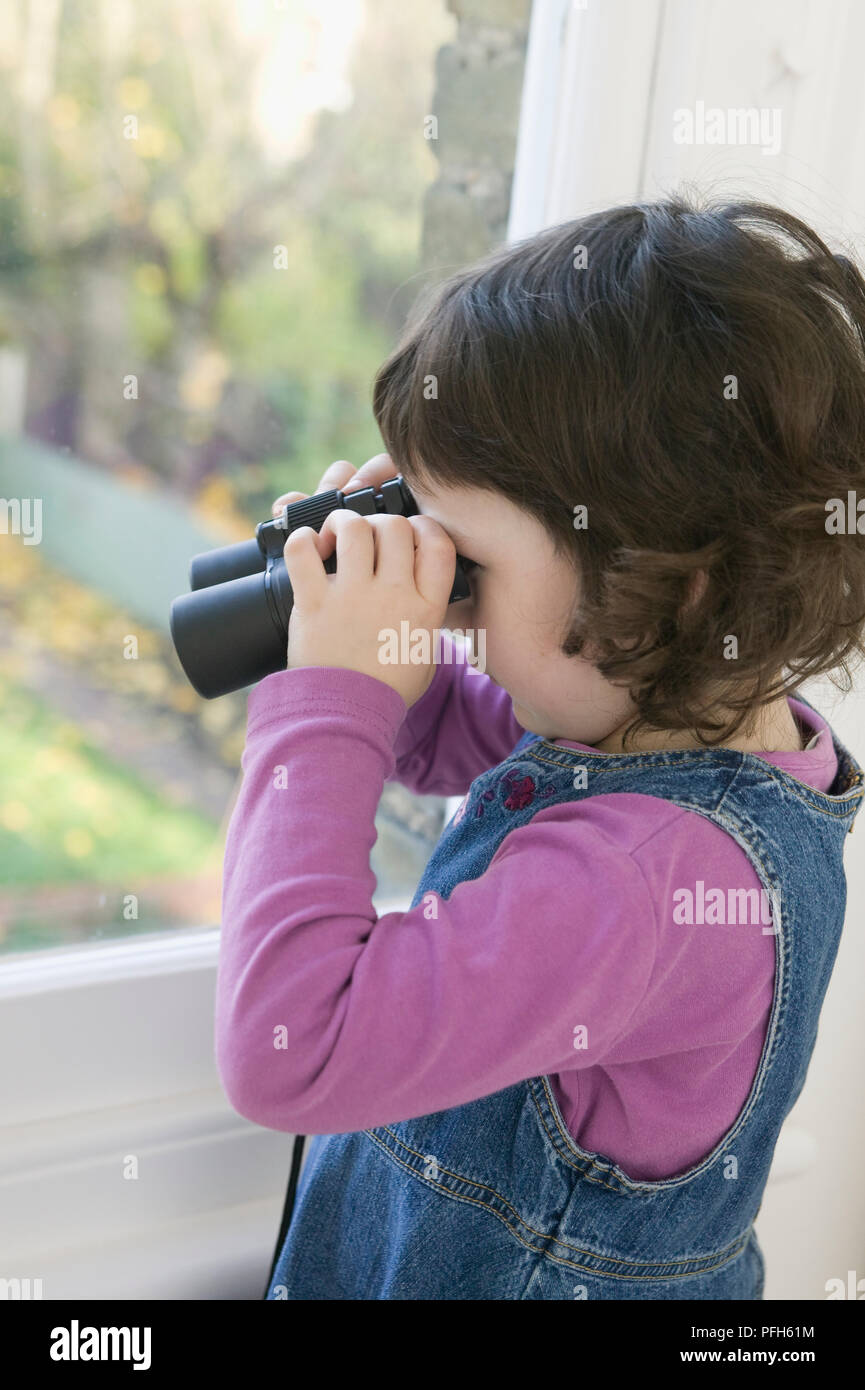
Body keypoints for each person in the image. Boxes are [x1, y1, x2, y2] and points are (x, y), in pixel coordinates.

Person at [215, 194, 865, 1299]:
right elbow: (445, 733)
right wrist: (368, 612)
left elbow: (291, 1045)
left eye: (469, 561)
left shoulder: (648, 884)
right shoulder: (664, 714)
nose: (453, 599)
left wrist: (330, 694)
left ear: (651, 592)